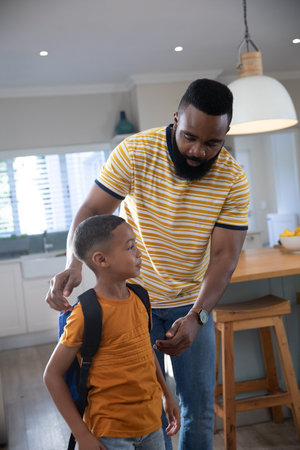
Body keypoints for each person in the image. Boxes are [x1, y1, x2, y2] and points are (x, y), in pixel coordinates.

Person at [46, 78, 250, 450]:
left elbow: (225, 256)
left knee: (199, 409)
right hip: (134, 301)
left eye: (212, 143)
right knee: (149, 408)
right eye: (189, 136)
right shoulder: (137, 152)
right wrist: (74, 264)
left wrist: (198, 316)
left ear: (226, 134)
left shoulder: (233, 179)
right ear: (175, 119)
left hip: (191, 301)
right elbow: (93, 210)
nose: (198, 150)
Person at [44, 214, 180, 450]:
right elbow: (52, 375)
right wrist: (82, 435)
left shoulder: (140, 298)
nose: (139, 253)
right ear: (101, 259)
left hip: (151, 424)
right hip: (109, 433)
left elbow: (145, 351)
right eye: (130, 247)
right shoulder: (86, 314)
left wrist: (167, 394)